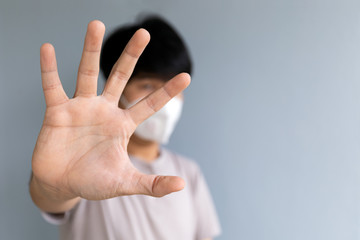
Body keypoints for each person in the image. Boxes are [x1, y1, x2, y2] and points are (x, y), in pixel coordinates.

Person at [29, 15, 221, 240]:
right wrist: (54, 189)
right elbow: (53, 197)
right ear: (116, 87)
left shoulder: (189, 173)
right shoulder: (87, 160)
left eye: (173, 88)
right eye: (147, 85)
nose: (165, 102)